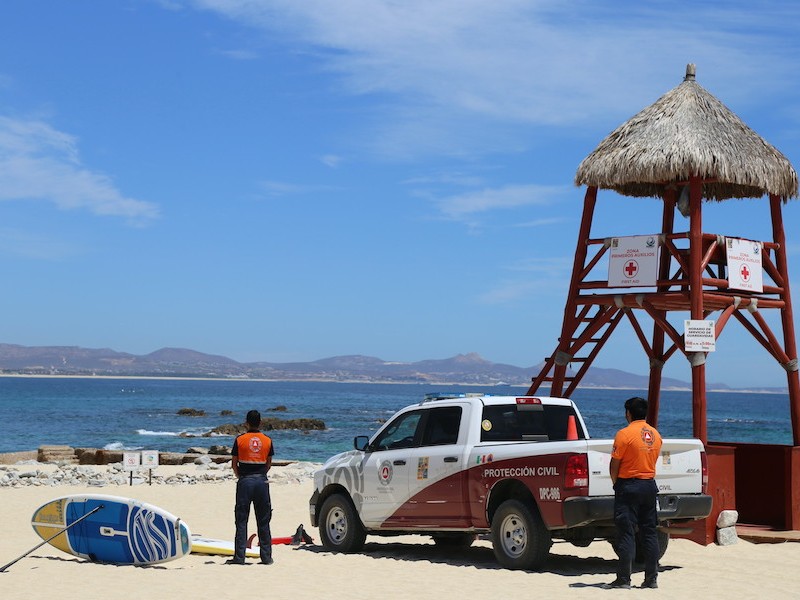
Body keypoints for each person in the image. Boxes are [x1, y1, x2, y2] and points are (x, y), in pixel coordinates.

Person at [606, 396, 663, 589]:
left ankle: (623, 579)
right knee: (649, 532)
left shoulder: (624, 434)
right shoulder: (655, 434)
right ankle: (651, 578)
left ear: (628, 413)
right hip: (649, 485)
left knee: (626, 532)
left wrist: (616, 484)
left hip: (628, 485)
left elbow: (615, 464)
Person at [228, 409, 274, 565]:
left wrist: (241, 476)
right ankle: (266, 557)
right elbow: (268, 464)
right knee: (264, 520)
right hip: (261, 481)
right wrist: (260, 474)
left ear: (246, 423)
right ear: (260, 423)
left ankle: (239, 557)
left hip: (245, 481)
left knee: (241, 520)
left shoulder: (240, 440)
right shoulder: (267, 440)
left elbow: (234, 464)